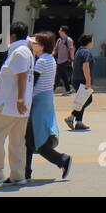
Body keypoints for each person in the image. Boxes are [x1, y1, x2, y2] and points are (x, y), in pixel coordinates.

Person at [0, 21, 33, 188]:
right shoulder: (26, 51)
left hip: (11, 104)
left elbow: (21, 75)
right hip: (20, 105)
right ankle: (18, 175)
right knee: (17, 141)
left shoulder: (19, 52)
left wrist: (20, 99)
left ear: (13, 36)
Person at [25, 32, 72, 181]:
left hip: (38, 103)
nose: (32, 45)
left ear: (42, 46)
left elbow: (32, 83)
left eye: (34, 43)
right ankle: (26, 172)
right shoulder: (50, 59)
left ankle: (62, 159)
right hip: (45, 101)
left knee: (34, 140)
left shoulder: (41, 62)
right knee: (30, 140)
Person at [66, 33, 94, 130]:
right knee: (87, 99)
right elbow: (85, 66)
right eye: (92, 41)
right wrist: (88, 80)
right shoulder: (87, 52)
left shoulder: (79, 51)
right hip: (82, 80)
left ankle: (79, 122)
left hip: (76, 79)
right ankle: (71, 117)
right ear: (89, 42)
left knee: (82, 100)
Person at [53, 26, 75, 94]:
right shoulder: (59, 40)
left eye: (60, 30)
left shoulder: (69, 40)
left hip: (65, 61)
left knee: (58, 75)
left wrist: (72, 60)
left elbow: (71, 50)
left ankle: (52, 89)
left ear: (64, 32)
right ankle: (68, 89)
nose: (59, 31)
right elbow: (55, 50)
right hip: (59, 61)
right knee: (64, 76)